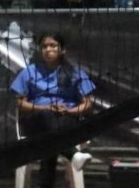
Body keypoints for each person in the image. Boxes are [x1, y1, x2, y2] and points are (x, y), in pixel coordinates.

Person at [10, 32, 95, 188]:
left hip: (66, 120)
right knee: (47, 117)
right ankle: (72, 154)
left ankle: (44, 184)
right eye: (44, 46)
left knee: (50, 140)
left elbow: (87, 104)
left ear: (62, 50)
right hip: (36, 120)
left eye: (53, 46)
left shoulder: (74, 73)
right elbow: (20, 103)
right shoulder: (29, 72)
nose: (48, 50)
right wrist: (45, 107)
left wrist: (69, 111)